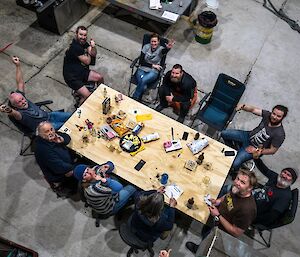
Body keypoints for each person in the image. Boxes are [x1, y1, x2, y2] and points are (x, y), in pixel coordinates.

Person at [186, 168, 257, 254]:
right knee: (205, 233)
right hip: (215, 220)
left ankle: (198, 250)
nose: (237, 183)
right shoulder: (237, 189)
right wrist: (218, 201)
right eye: (237, 179)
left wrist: (218, 215)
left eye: (242, 182)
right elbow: (228, 196)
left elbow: (236, 232)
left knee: (207, 244)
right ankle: (202, 243)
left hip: (221, 231)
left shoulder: (247, 210)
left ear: (250, 188)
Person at [0, 56, 71, 132]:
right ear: (15, 106)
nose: (23, 102)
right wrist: (5, 108)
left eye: (22, 99)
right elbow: (12, 112)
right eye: (19, 102)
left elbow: (20, 82)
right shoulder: (20, 114)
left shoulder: (21, 97)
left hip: (49, 115)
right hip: (44, 128)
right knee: (69, 125)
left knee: (72, 116)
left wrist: (18, 65)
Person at [221, 104, 288, 173]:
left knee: (235, 164)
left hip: (255, 148)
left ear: (283, 117)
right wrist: (243, 106)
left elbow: (272, 150)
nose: (274, 117)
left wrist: (256, 150)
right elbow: (253, 109)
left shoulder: (280, 134)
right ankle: (233, 150)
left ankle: (235, 172)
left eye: (278, 116)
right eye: (273, 114)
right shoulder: (268, 115)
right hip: (247, 136)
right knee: (224, 133)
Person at [63, 25, 104, 105]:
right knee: (88, 96)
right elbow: (88, 61)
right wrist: (90, 51)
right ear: (76, 34)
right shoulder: (75, 47)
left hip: (80, 71)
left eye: (85, 35)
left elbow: (93, 53)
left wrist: (93, 47)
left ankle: (100, 95)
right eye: (81, 34)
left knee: (100, 78)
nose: (83, 37)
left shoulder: (83, 43)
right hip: (72, 76)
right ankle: (79, 108)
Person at [34, 121, 78, 193]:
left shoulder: (52, 137)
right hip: (59, 174)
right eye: (47, 131)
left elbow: (67, 137)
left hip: (66, 161)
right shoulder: (43, 150)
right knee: (84, 168)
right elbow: (60, 167)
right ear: (41, 135)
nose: (51, 132)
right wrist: (76, 167)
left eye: (51, 129)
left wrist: (61, 139)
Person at [253, 158, 298, 227]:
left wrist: (252, 219)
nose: (284, 175)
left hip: (255, 212)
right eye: (284, 172)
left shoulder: (285, 197)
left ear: (292, 181)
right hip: (252, 199)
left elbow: (271, 217)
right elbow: (264, 169)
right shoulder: (275, 177)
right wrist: (256, 158)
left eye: (288, 175)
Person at [132, 33, 174, 101]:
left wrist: (168, 48)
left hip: (153, 71)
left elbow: (164, 51)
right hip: (142, 69)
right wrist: (153, 65)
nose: (153, 43)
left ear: (158, 42)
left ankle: (135, 97)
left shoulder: (161, 49)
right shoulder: (146, 47)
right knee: (143, 84)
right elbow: (141, 62)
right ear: (150, 41)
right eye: (152, 41)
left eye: (155, 41)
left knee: (143, 80)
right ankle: (144, 89)